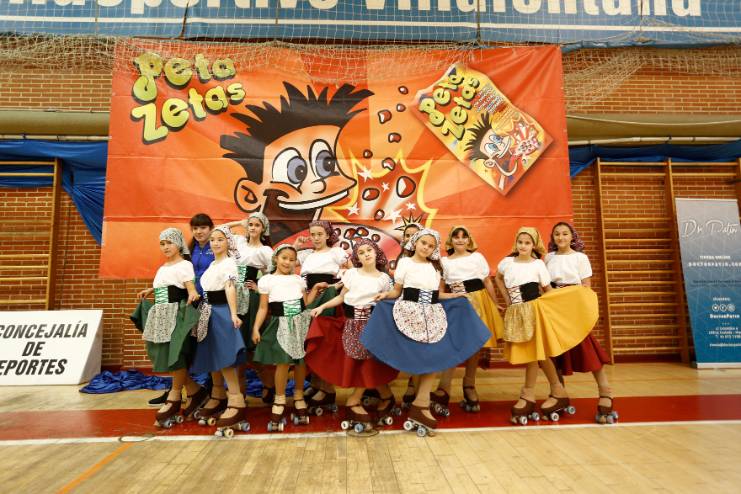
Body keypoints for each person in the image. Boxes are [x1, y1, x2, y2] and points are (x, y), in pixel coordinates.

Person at [361, 229, 491, 436]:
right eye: (423, 243)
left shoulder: (435, 267)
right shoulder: (405, 263)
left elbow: (436, 294)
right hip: (409, 312)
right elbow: (397, 290)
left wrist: (456, 297)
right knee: (418, 356)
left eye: (431, 246)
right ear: (415, 242)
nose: (426, 248)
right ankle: (417, 402)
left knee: (433, 357)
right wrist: (386, 295)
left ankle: (421, 402)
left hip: (432, 314)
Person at [495, 227, 597, 425]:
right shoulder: (507, 262)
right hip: (516, 312)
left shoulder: (538, 265)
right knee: (534, 354)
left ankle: (530, 394)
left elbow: (548, 290)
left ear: (534, 245)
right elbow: (498, 278)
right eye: (520, 242)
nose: (523, 246)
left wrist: (564, 304)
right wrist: (507, 299)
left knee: (536, 353)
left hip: (534, 311)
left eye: (527, 243)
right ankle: (556, 391)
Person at [306, 238, 399, 432]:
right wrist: (322, 307)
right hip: (352, 324)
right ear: (357, 258)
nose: (366, 254)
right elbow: (341, 297)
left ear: (376, 252)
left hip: (372, 325)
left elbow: (388, 300)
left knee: (370, 363)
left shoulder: (383, 278)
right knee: (359, 363)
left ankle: (356, 400)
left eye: (369, 250)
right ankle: (385, 396)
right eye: (361, 252)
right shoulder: (352, 274)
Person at [130, 228, 205, 427]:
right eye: (162, 244)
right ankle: (196, 391)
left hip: (175, 314)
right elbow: (165, 285)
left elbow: (189, 287)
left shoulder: (185, 265)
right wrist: (151, 290)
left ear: (179, 244)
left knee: (176, 356)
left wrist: (192, 294)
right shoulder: (162, 267)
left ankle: (174, 397)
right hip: (160, 313)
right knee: (165, 355)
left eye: (169, 243)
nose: (165, 247)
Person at [546, 222, 617, 424]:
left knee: (587, 347)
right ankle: (558, 393)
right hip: (554, 306)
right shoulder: (548, 258)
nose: (561, 237)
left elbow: (586, 286)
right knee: (554, 351)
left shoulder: (580, 258)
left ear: (572, 237)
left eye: (565, 233)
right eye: (557, 234)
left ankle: (605, 391)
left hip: (574, 305)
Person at [432, 225, 504, 415]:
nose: (460, 240)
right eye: (456, 237)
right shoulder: (444, 262)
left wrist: (495, 303)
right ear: (451, 240)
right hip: (457, 303)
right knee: (454, 345)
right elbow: (440, 288)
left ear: (469, 240)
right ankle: (444, 387)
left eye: (464, 237)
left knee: (475, 346)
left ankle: (469, 384)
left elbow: (487, 281)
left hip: (479, 301)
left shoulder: (477, 258)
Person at [252, 244, 322, 431]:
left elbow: (305, 303)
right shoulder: (266, 280)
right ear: (276, 258)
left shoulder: (298, 280)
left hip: (300, 323)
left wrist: (315, 289)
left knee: (300, 362)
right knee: (282, 362)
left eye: (292, 260)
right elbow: (263, 308)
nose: (288, 262)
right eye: (284, 258)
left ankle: (298, 395)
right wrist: (256, 328)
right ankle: (280, 397)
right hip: (280, 323)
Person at [149, 213, 214, 407]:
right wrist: (152, 290)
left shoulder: (214, 248)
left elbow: (188, 282)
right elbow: (171, 280)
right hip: (178, 306)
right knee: (172, 352)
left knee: (187, 350)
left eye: (203, 227)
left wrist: (193, 292)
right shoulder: (188, 253)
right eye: (195, 228)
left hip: (200, 302)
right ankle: (187, 389)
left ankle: (199, 390)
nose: (199, 231)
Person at [190, 226, 249, 437]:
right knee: (214, 357)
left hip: (222, 311)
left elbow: (230, 287)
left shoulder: (229, 263)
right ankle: (219, 395)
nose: (215, 243)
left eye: (220, 239)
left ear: (228, 242)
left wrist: (233, 314)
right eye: (213, 239)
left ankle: (237, 400)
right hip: (208, 311)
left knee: (225, 358)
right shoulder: (213, 264)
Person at [294, 220, 349, 414]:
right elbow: (281, 261)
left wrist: (335, 287)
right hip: (309, 298)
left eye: (320, 234)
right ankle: (317, 383)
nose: (316, 238)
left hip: (327, 297)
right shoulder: (306, 254)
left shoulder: (336, 253)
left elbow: (351, 272)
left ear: (327, 235)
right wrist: (296, 246)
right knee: (310, 341)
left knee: (324, 341)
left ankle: (328, 388)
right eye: (313, 234)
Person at [223, 212, 275, 402]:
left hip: (250, 299)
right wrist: (240, 222)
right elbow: (220, 230)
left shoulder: (265, 251)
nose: (252, 228)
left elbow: (273, 274)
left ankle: (269, 386)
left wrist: (259, 286)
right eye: (250, 224)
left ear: (263, 229)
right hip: (231, 295)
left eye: (257, 225)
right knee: (235, 348)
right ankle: (239, 393)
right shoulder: (238, 242)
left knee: (250, 348)